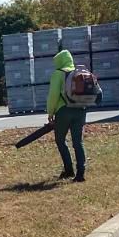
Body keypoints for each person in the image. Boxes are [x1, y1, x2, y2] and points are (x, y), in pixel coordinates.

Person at [47, 48, 85, 183]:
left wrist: (50, 112)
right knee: (78, 142)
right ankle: (81, 173)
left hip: (63, 110)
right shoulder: (80, 72)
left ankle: (68, 170)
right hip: (81, 109)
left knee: (60, 140)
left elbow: (53, 95)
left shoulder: (58, 73)